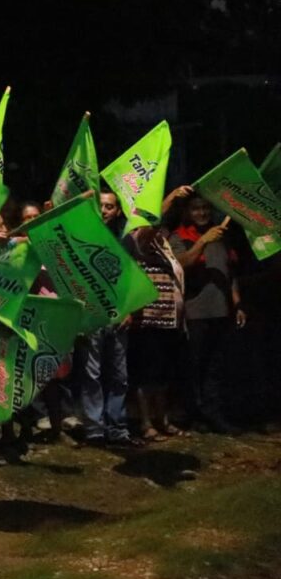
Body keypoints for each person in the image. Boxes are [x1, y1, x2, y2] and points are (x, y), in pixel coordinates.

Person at [169, 195, 245, 434]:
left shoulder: (223, 236)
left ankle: (213, 414)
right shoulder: (179, 236)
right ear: (187, 212)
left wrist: (237, 304)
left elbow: (229, 273)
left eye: (205, 208)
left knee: (215, 366)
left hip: (221, 311)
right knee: (192, 366)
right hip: (195, 312)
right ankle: (190, 413)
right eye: (196, 209)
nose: (201, 213)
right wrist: (202, 241)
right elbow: (180, 265)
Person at [75, 189, 141, 447]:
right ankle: (94, 428)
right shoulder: (83, 234)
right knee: (91, 373)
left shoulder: (126, 239)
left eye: (109, 206)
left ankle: (117, 428)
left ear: (118, 211)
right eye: (100, 205)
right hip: (91, 313)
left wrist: (130, 310)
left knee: (119, 374)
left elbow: (132, 277)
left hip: (118, 314)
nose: (104, 210)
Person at [128, 224, 187, 441]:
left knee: (163, 373)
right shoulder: (135, 238)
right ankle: (145, 422)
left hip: (168, 317)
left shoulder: (163, 242)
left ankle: (162, 419)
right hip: (146, 318)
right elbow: (144, 238)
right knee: (146, 373)